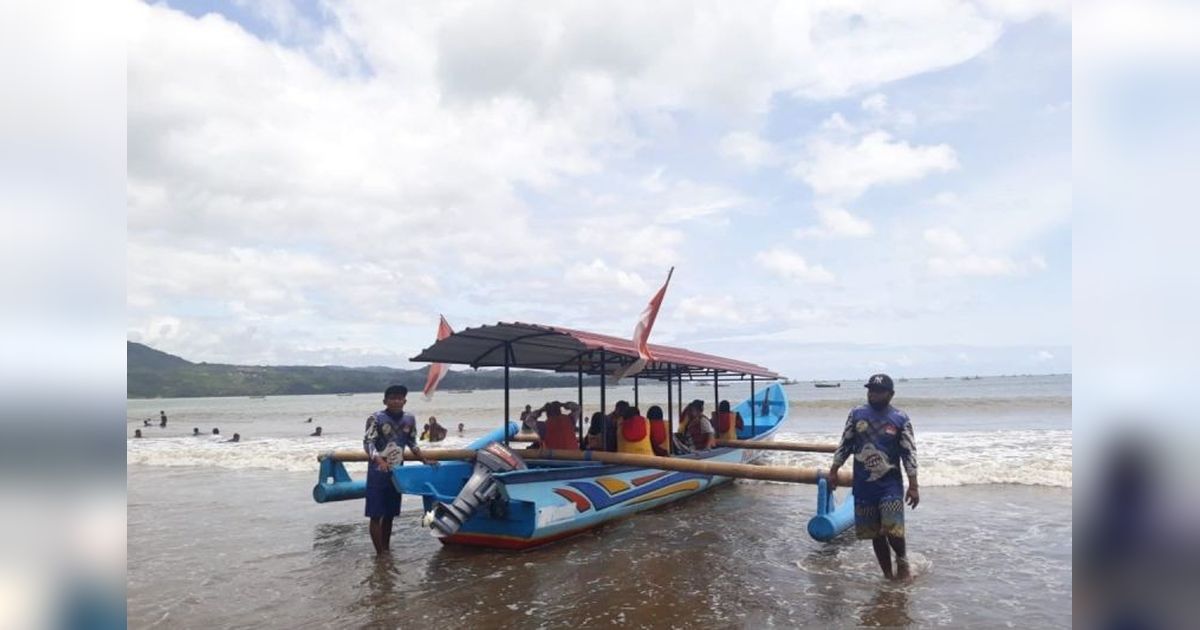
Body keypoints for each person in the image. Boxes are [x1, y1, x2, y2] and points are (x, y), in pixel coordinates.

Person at [828, 374, 919, 580]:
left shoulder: (900, 418)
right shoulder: (857, 414)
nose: (874, 394)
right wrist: (834, 470)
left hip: (890, 485)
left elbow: (909, 453)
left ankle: (902, 560)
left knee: (893, 531)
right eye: (871, 390)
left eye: (879, 391)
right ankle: (887, 575)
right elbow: (846, 444)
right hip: (864, 485)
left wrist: (913, 485)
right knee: (875, 534)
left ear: (891, 394)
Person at [363, 385, 438, 556]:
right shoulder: (375, 418)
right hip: (377, 472)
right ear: (385, 401)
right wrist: (379, 461)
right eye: (392, 398)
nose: (396, 401)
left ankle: (386, 550)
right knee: (375, 514)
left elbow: (412, 442)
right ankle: (379, 553)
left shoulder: (409, 419)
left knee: (390, 513)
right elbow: (368, 443)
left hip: (398, 471)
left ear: (405, 400)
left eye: (399, 398)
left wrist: (424, 460)